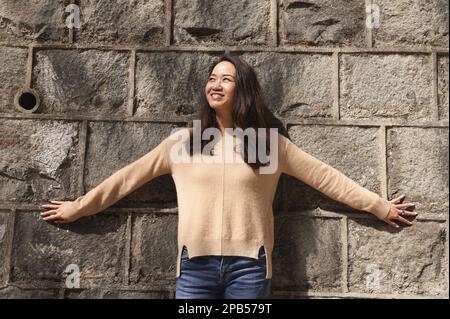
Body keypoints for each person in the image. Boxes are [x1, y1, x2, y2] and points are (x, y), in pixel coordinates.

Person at [41, 53, 418, 299]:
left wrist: (379, 206)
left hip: (250, 270)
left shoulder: (269, 145)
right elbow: (127, 178)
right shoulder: (183, 143)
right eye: (211, 78)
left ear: (244, 90)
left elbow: (327, 178)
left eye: (226, 78)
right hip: (194, 268)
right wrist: (79, 207)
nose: (215, 84)